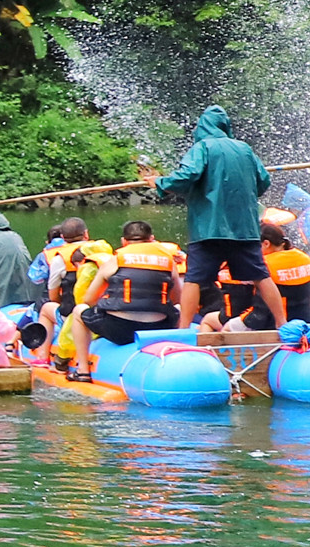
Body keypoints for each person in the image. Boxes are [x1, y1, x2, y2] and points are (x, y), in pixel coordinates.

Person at [156, 106, 278, 332]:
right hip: (245, 229)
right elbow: (263, 181)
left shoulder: (202, 147)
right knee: (261, 275)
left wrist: (160, 183)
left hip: (208, 228)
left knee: (194, 279)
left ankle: (183, 330)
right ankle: (283, 323)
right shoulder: (245, 149)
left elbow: (187, 175)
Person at [60, 218, 188, 372]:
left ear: (124, 242)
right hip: (159, 328)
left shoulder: (116, 260)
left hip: (120, 330)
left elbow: (89, 299)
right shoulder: (168, 262)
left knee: (79, 310)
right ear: (152, 239)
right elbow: (177, 299)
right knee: (180, 308)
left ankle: (82, 369)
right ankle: (180, 350)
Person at [206, 209, 310, 334]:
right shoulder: (304, 258)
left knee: (212, 321)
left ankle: (211, 353)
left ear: (266, 244)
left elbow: (237, 288)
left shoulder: (263, 265)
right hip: (303, 318)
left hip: (269, 321)